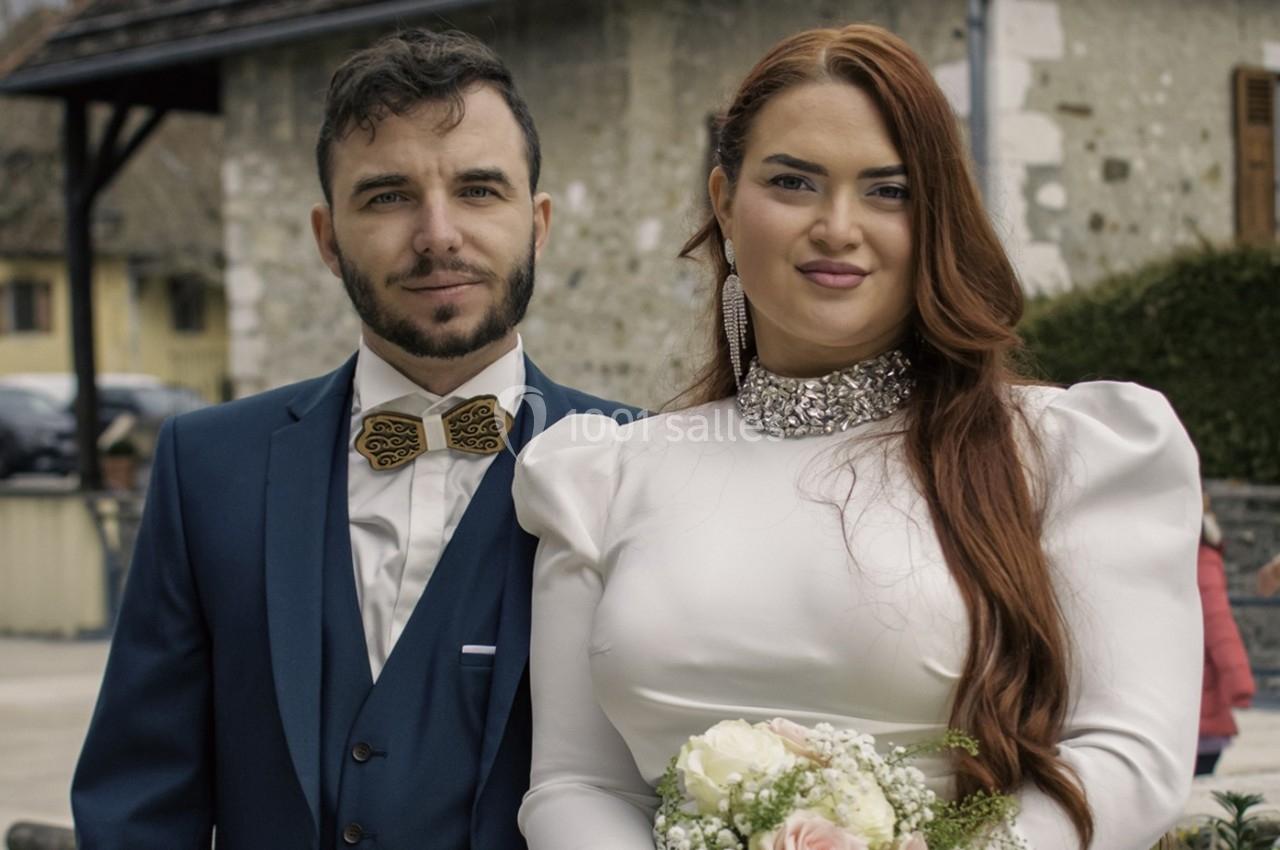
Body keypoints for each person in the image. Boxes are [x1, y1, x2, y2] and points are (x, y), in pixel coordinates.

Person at [511, 24, 1202, 850]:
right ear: (725, 201)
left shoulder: (1070, 454)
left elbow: (1129, 757)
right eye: (794, 182)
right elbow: (575, 783)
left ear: (936, 216)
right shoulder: (602, 476)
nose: (837, 227)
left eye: (888, 191)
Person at [71, 29, 633, 850]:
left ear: (538, 224)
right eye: (386, 196)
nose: (438, 233)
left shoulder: (639, 463)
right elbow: (139, 805)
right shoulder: (208, 468)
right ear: (327, 239)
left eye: (479, 190)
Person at [1197, 498, 1255, 776]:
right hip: (1199, 715)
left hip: (1186, 711)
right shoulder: (1202, 557)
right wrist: (1240, 684)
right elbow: (1219, 624)